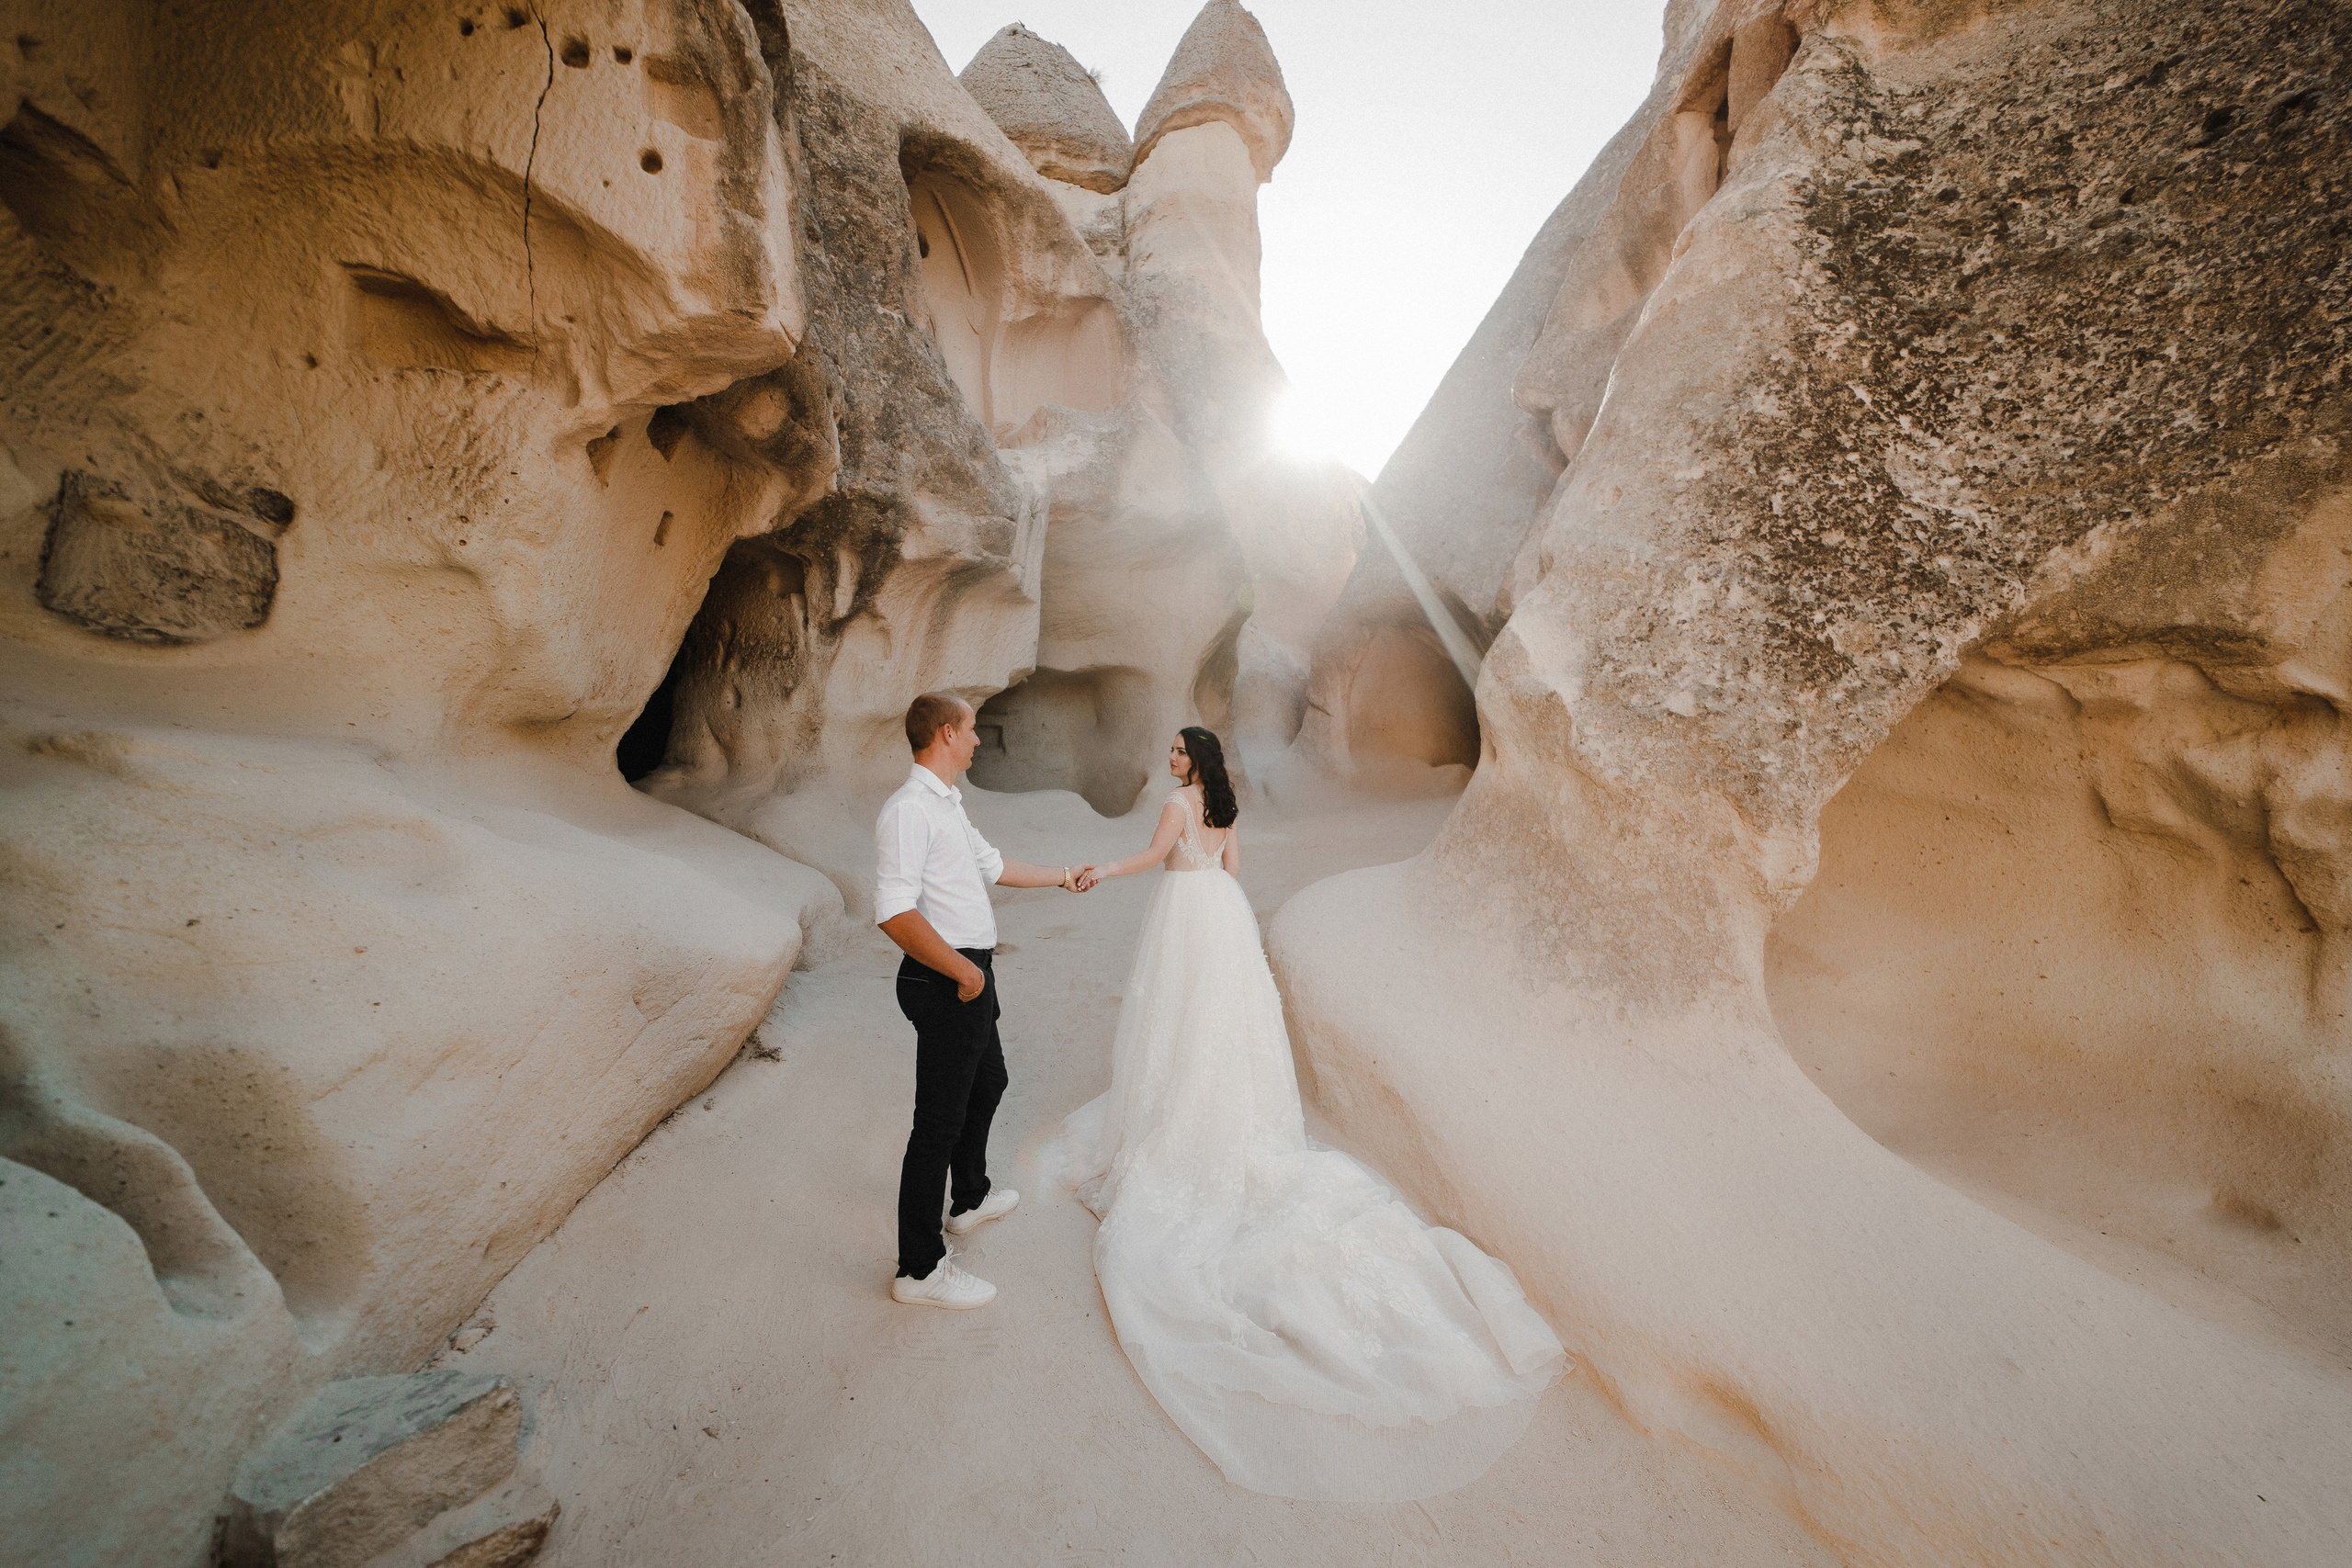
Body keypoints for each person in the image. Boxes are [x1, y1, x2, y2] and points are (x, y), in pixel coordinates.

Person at [1057, 727, 1566, 1499]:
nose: (1170, 759)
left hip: (1186, 915)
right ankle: (1219, 1111)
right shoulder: (1225, 804)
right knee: (1222, 1027)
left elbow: (1153, 856)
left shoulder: (1175, 804)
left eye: (1178, 751)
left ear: (1193, 758)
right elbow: (1232, 869)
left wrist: (1103, 869)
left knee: (1177, 1021)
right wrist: (1208, 878)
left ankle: (1177, 1116)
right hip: (1223, 915)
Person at [875, 692, 1093, 1310]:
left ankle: (968, 1199)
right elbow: (893, 911)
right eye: (971, 729)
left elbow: (993, 866)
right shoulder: (908, 810)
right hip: (946, 977)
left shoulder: (947, 803)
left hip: (970, 973)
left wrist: (1063, 876)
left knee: (990, 1080)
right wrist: (962, 972)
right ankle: (919, 1270)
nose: (977, 739)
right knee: (936, 1125)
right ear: (946, 734)